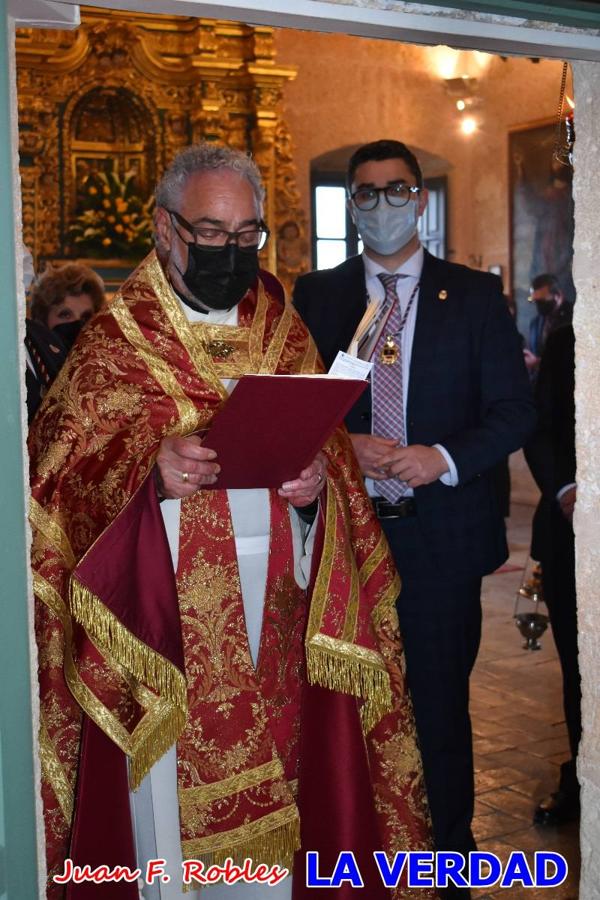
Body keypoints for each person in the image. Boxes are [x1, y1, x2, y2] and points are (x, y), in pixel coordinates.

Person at [29, 143, 435, 900]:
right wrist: (145, 474)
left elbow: (337, 475)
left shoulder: (286, 333)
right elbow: (55, 489)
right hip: (164, 639)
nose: (231, 251)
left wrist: (316, 493)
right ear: (164, 229)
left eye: (247, 236)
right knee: (174, 852)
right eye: (211, 234)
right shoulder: (112, 345)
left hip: (278, 623)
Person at [293, 139, 536, 897]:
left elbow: (512, 412)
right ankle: (359, 860)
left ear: (420, 199)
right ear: (352, 204)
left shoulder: (471, 296)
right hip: (346, 542)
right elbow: (291, 406)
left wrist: (442, 456)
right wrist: (342, 443)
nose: (380, 204)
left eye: (395, 189)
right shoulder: (316, 297)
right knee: (345, 710)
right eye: (363, 193)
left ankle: (446, 870)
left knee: (437, 712)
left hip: (441, 539)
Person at [524, 323, 579, 827]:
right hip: (575, 533)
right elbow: (540, 427)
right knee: (580, 669)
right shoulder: (570, 338)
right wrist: (565, 490)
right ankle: (582, 773)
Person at [25, 262, 106, 421]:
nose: (77, 324)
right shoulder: (35, 370)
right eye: (65, 315)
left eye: (85, 317)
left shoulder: (104, 370)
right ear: (42, 319)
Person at [524, 273, 572, 378]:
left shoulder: (575, 318)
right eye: (535, 302)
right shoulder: (535, 324)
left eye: (542, 301)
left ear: (558, 296)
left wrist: (538, 363)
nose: (538, 307)